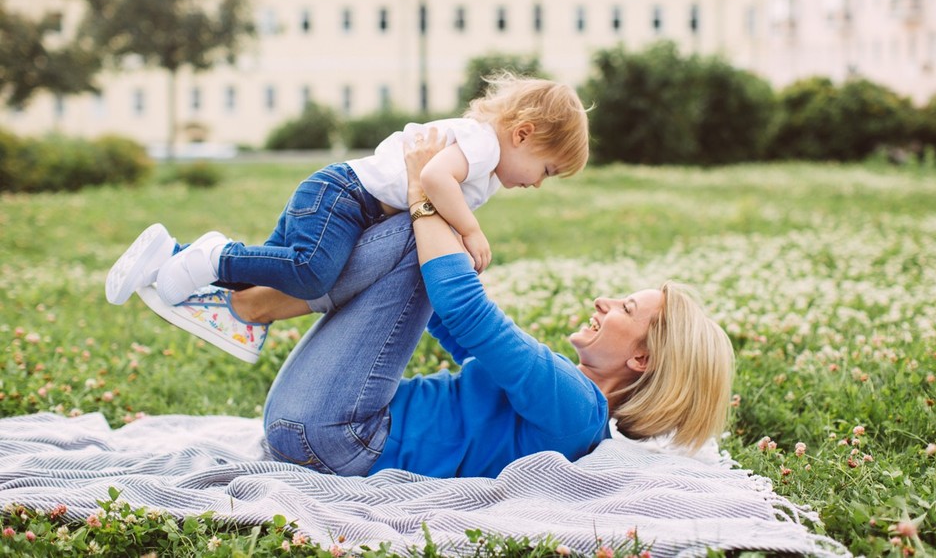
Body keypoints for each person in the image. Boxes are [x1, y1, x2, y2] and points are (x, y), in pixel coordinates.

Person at [131, 128, 736, 479]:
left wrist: (426, 190)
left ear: (640, 361)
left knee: (410, 233)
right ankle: (246, 306)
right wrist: (438, 213)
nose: (605, 302)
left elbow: (465, 311)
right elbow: (447, 316)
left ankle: (243, 303)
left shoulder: (576, 406)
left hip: (334, 433)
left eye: (626, 311)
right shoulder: (564, 397)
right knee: (418, 246)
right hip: (324, 428)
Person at [105, 73, 590, 363]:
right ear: (522, 134)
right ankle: (213, 255)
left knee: (282, 275)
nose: (539, 182)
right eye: (546, 169)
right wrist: (471, 229)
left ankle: (167, 259)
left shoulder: (486, 156)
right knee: (312, 272)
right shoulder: (483, 144)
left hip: (344, 203)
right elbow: (436, 179)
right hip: (342, 196)